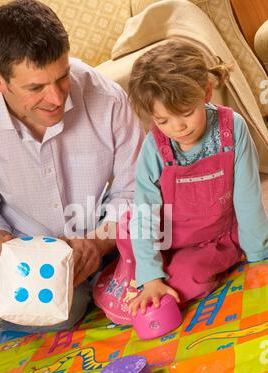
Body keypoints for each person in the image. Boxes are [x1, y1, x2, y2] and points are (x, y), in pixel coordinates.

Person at [0, 0, 145, 332]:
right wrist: (8, 258)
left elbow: (135, 190)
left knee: (166, 268)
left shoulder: (105, 97)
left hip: (102, 236)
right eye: (35, 87)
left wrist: (95, 244)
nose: (56, 98)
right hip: (24, 251)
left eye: (62, 77)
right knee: (58, 318)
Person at [93, 39, 268, 325]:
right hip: (166, 234)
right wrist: (150, 277)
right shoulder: (153, 148)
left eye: (186, 113)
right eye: (162, 120)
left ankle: (151, 273)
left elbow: (248, 199)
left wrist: (259, 256)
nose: (178, 127)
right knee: (128, 229)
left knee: (183, 282)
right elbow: (145, 213)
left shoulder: (232, 128)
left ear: (206, 91)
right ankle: (135, 272)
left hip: (211, 238)